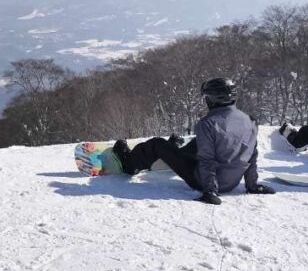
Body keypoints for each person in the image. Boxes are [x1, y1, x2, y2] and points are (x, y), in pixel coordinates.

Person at [113, 78, 275, 205]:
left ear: (212, 99)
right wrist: (252, 186)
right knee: (203, 141)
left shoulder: (208, 123)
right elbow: (251, 155)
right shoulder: (250, 121)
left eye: (206, 97)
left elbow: (207, 159)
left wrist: (210, 191)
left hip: (205, 181)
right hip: (231, 182)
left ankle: (129, 164)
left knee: (157, 143)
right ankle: (173, 152)